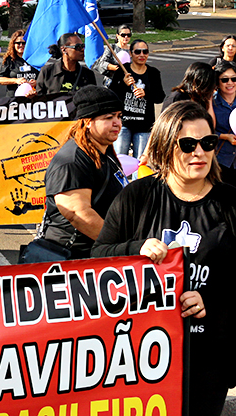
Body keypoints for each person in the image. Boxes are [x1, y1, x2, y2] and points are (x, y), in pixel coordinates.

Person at [92, 101, 235, 416]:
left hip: (209, 353)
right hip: (141, 355)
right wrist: (136, 248)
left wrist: (209, 297)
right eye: (188, 144)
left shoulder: (231, 201)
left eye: (208, 143)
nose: (200, 152)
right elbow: (98, 256)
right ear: (165, 146)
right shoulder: (137, 196)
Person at [38, 86, 126, 260]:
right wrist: (122, 246)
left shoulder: (104, 150)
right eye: (108, 118)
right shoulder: (72, 160)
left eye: (119, 116)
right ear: (87, 122)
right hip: (71, 259)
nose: (117, 123)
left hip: (96, 255)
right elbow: (77, 213)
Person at [108, 39, 165, 158]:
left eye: (145, 52)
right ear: (131, 53)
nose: (142, 55)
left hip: (144, 125)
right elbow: (111, 95)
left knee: (140, 161)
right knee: (120, 159)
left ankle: (137, 178)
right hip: (124, 123)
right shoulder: (123, 71)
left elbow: (160, 97)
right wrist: (123, 84)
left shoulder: (153, 73)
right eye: (138, 52)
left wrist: (146, 93)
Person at [213, 61, 236, 187]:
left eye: (234, 79)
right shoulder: (211, 104)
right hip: (220, 161)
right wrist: (224, 136)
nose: (230, 83)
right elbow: (204, 132)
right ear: (217, 82)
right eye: (225, 80)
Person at [0, 29, 38, 96]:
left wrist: (37, 82)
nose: (21, 45)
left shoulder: (36, 58)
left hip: (34, 98)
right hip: (13, 98)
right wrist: (16, 81)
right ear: (13, 44)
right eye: (18, 43)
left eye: (24, 43)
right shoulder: (9, 59)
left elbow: (46, 78)